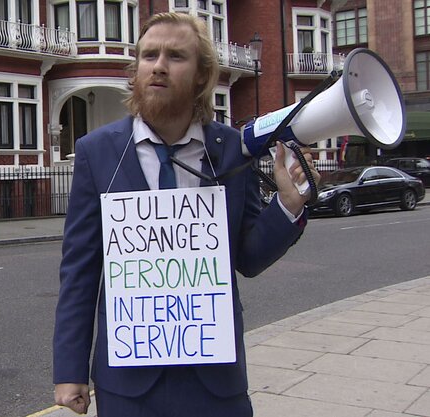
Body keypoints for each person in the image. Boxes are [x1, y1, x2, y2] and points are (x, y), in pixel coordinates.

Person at [52, 12, 320, 417]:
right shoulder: (98, 151)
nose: (158, 66)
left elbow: (247, 257)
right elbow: (80, 270)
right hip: (128, 384)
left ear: (201, 75)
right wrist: (69, 370)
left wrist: (288, 206)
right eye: (148, 55)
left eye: (175, 56)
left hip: (215, 380)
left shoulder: (231, 150)